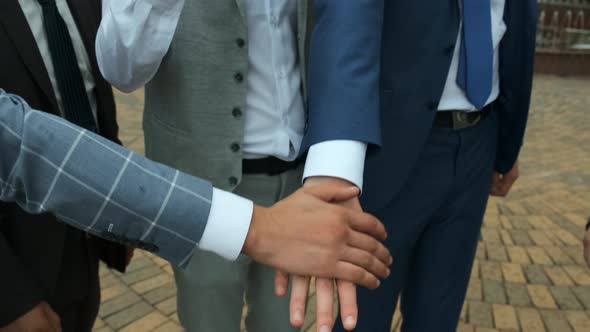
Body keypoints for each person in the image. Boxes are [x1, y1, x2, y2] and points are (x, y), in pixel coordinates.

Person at [0, 89, 392, 331]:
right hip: (206, 178)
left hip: (293, 179)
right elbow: (27, 150)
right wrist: (257, 227)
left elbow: (26, 147)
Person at [95, 1, 368, 331]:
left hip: (297, 179)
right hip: (202, 184)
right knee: (209, 322)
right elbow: (121, 71)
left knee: (283, 323)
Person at [281, 1, 538, 331]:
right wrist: (335, 164)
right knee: (362, 316)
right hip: (388, 144)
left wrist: (507, 143)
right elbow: (347, 17)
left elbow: (515, 23)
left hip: (479, 139)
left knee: (438, 315)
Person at [0, 1, 130, 330]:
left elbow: (95, 104)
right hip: (20, 259)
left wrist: (119, 211)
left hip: (85, 247)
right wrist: (11, 300)